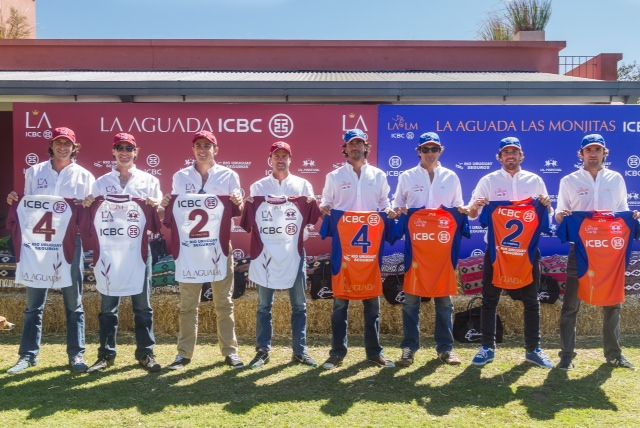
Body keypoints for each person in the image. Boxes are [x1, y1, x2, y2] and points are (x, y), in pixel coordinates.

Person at [6, 127, 94, 375]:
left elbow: (89, 212)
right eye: (58, 143)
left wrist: (88, 205)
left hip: (70, 244)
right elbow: (27, 209)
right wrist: (15, 200)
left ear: (74, 147)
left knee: (74, 302)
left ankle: (76, 354)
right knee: (34, 303)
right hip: (39, 245)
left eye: (67, 144)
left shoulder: (85, 176)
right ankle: (28, 355)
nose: (63, 147)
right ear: (52, 146)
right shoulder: (34, 172)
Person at [466, 136, 554, 368]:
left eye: (514, 152)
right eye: (506, 152)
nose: (510, 156)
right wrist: (477, 206)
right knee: (489, 300)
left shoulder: (535, 180)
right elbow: (472, 214)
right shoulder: (488, 180)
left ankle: (533, 349)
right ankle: (487, 347)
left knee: (532, 301)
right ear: (500, 157)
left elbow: (548, 216)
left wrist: (547, 205)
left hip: (526, 252)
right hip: (497, 251)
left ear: (521, 156)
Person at [162, 130, 244, 370]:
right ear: (193, 149)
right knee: (188, 304)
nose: (202, 149)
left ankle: (230, 352)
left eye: (207, 145)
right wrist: (166, 205)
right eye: (198, 145)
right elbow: (176, 214)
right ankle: (183, 354)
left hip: (219, 246)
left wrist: (238, 201)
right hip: (191, 248)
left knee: (224, 302)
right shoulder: (180, 176)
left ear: (215, 149)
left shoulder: (229, 175)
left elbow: (237, 210)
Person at [556, 134, 637, 370]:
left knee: (612, 303)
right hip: (581, 250)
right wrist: (562, 216)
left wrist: (632, 217)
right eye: (588, 150)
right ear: (581, 154)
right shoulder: (569, 180)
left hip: (609, 251)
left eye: (597, 149)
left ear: (604, 153)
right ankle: (566, 355)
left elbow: (622, 210)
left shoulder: (616, 178)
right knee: (571, 305)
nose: (593, 154)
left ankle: (614, 354)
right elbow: (559, 213)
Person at [84, 132, 162, 373]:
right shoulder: (100, 182)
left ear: (136, 152)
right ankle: (106, 355)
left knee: (143, 305)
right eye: (120, 148)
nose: (125, 152)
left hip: (138, 250)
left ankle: (146, 353)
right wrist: (88, 204)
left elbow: (159, 216)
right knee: (108, 305)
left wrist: (156, 206)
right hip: (110, 252)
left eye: (129, 148)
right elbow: (91, 214)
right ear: (113, 152)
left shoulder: (149, 180)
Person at [319, 128, 396, 370]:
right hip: (345, 248)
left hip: (370, 248)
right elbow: (326, 203)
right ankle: (337, 353)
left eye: (359, 143)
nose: (355, 147)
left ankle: (374, 353)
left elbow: (384, 203)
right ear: (344, 148)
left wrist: (390, 211)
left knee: (372, 301)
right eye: (351, 144)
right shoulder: (334, 176)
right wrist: (325, 209)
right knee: (340, 302)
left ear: (366, 146)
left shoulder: (378, 175)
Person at [242, 141, 319, 368]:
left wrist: (310, 207)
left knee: (299, 305)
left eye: (285, 156)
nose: (281, 160)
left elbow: (312, 220)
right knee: (264, 306)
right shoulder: (258, 187)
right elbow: (249, 222)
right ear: (270, 160)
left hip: (294, 253)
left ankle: (300, 352)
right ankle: (262, 352)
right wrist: (247, 204)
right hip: (266, 254)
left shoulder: (303, 185)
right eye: (277, 156)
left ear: (290, 159)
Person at [392, 132, 464, 367]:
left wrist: (465, 211)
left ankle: (446, 349)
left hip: (442, 249)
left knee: (444, 302)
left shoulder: (451, 176)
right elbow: (397, 205)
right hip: (417, 248)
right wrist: (399, 211)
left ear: (440, 151)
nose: (430, 153)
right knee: (411, 301)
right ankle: (409, 349)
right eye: (425, 149)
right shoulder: (407, 176)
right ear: (419, 151)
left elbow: (457, 207)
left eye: (434, 149)